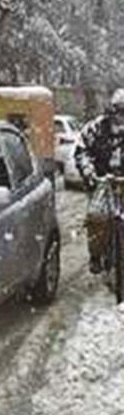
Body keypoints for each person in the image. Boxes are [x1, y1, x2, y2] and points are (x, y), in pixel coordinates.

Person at [75, 88, 124, 275]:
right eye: (119, 112)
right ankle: (95, 255)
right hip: (102, 182)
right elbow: (81, 151)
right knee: (97, 217)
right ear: (111, 111)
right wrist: (90, 174)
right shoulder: (95, 128)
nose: (121, 118)